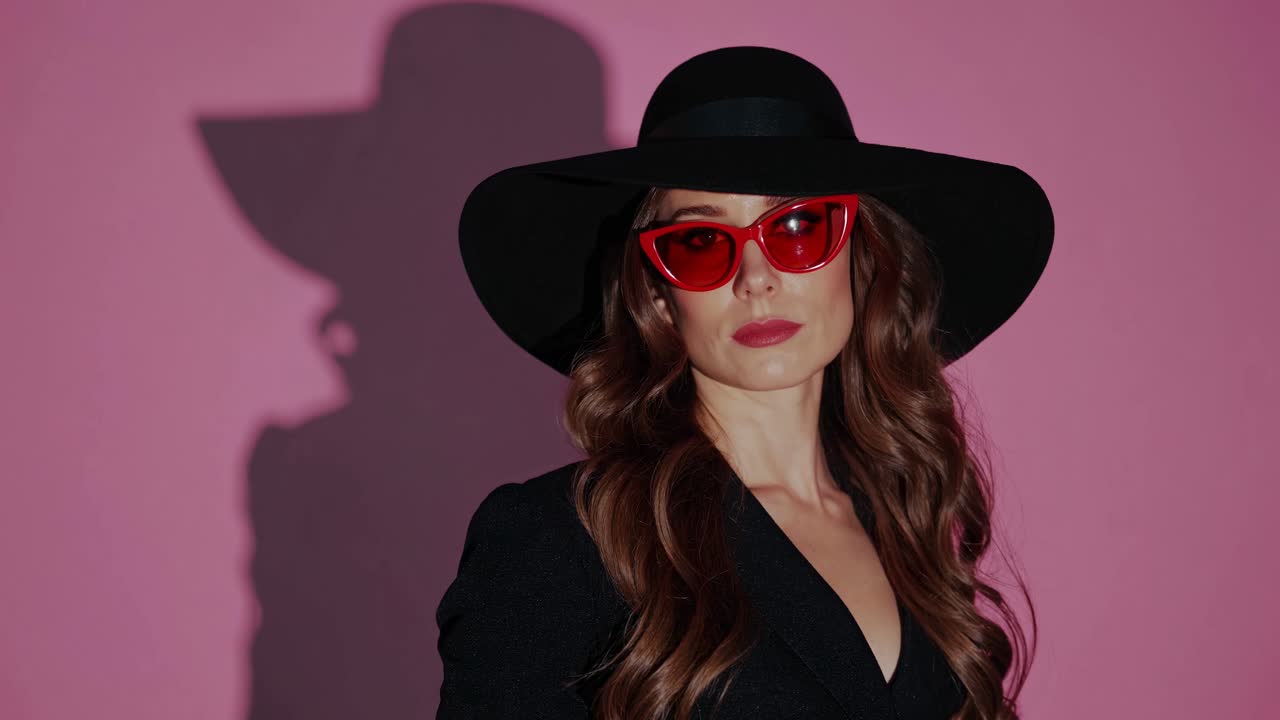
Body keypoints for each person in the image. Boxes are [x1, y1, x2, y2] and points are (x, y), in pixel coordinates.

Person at [437, 46, 1054, 720]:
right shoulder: (562, 539)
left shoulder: (909, 519)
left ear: (861, 254)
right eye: (700, 241)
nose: (755, 278)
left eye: (797, 227)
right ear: (658, 293)